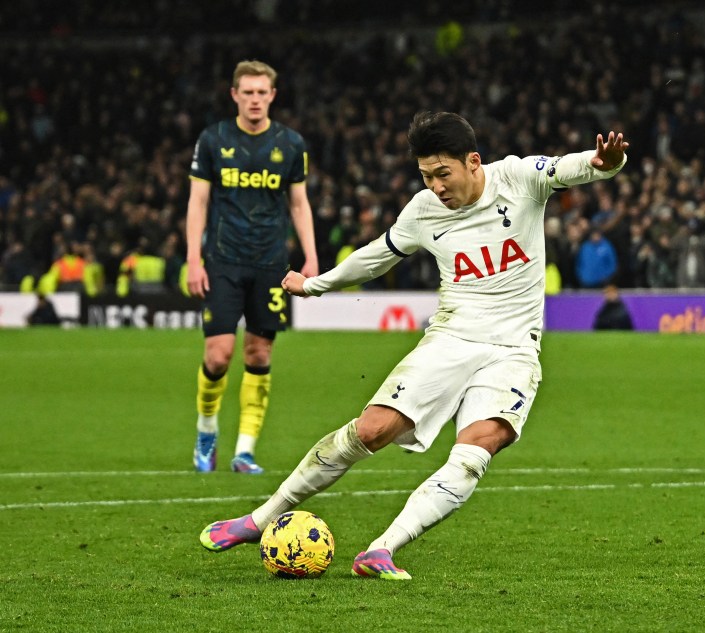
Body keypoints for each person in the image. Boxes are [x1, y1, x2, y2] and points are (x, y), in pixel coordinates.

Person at [199, 111, 628, 579]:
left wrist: (606, 162)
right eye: (427, 176)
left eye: (444, 174)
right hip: (450, 339)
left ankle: (381, 550)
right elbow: (375, 256)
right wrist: (315, 285)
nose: (437, 186)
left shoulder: (520, 178)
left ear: (473, 161)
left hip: (512, 350)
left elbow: (576, 166)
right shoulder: (423, 210)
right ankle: (257, 520)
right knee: (371, 430)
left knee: (477, 449)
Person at [186, 60, 318, 474]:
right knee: (219, 355)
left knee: (259, 352)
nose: (255, 99)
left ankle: (244, 450)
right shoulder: (213, 140)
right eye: (248, 92)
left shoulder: (291, 144)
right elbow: (198, 202)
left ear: (272, 96)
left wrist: (311, 255)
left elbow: (299, 203)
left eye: (262, 92)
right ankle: (207, 431)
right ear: (235, 95)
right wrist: (193, 257)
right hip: (223, 259)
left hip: (270, 263)